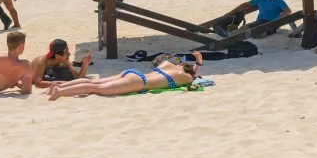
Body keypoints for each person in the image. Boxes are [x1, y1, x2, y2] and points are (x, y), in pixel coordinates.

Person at [46, 51, 203, 100]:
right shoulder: (185, 77)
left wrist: (194, 61)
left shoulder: (167, 65)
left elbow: (180, 66)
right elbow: (193, 76)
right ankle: (60, 92)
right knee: (96, 88)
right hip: (139, 82)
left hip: (133, 73)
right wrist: (199, 64)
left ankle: (60, 85)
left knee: (96, 82)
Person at [212, 0, 291, 36]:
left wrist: (278, 19)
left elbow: (288, 10)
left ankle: (230, 35)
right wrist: (230, 12)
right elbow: (245, 5)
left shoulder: (279, 1)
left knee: (249, 27)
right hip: (260, 22)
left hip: (270, 24)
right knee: (251, 28)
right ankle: (231, 35)